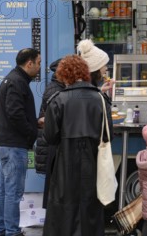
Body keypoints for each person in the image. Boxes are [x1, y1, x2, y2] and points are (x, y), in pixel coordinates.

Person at [43, 54, 113, 236]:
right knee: (90, 207)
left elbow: (50, 137)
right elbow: (108, 135)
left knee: (64, 209)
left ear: (64, 75)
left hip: (64, 164)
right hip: (93, 163)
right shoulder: (101, 99)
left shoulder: (58, 100)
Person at [0, 48, 41, 236]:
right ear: (29, 63)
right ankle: (11, 232)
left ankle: (1, 230)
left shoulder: (13, 79)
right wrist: (31, 132)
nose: (39, 67)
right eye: (38, 63)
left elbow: (15, 112)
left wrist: (33, 122)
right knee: (13, 192)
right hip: (14, 145)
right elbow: (15, 113)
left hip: (7, 143)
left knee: (5, 191)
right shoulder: (17, 82)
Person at [35, 58, 65, 208]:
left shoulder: (57, 87)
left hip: (48, 143)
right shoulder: (56, 90)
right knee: (55, 187)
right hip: (50, 145)